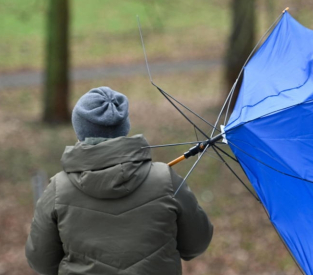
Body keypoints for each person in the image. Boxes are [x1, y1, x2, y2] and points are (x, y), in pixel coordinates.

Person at [25, 87, 213, 275]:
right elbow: (196, 244)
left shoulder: (59, 189)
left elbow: (41, 262)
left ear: (80, 130)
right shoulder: (165, 179)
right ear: (125, 126)